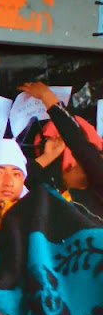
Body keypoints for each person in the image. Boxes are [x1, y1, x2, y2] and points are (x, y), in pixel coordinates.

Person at [18, 81, 103, 222]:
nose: (71, 163)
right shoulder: (53, 193)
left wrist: (48, 97)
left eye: (74, 164)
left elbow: (80, 145)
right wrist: (47, 157)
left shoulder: (52, 194)